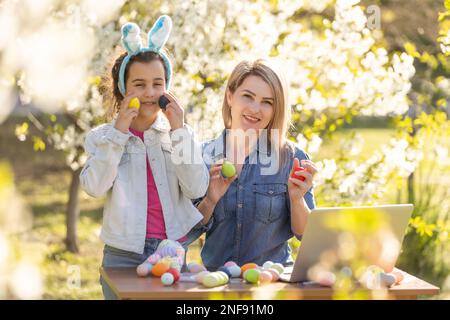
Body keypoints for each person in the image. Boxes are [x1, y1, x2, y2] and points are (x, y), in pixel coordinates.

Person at [79, 16, 208, 299]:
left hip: (171, 253)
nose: (150, 93)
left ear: (167, 88)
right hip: (123, 255)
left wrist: (179, 131)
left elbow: (197, 188)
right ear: (125, 89)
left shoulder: (178, 133)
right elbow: (94, 187)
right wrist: (118, 135)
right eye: (139, 84)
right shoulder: (103, 137)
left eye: (157, 83)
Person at [187, 59, 318, 270]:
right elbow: (189, 230)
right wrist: (210, 200)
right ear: (230, 96)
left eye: (267, 101)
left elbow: (306, 235)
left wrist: (297, 200)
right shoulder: (203, 156)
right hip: (218, 284)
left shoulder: (290, 158)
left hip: (271, 284)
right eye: (247, 96)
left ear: (276, 109)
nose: (255, 109)